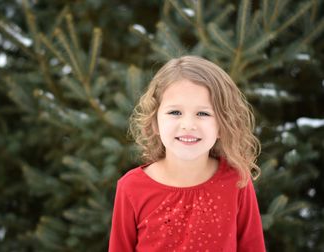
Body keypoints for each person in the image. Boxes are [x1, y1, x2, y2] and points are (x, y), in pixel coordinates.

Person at [108, 55, 266, 252]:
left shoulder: (237, 181)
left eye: (203, 113)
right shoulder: (131, 187)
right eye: (175, 113)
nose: (188, 125)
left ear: (222, 125)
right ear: (155, 122)